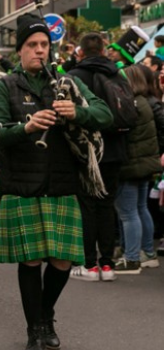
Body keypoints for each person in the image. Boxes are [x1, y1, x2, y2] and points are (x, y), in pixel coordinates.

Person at [0, 13, 112, 350]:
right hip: (22, 185)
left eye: (44, 45)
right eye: (32, 45)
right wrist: (24, 128)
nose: (39, 51)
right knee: (29, 261)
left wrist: (77, 111)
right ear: (21, 49)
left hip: (62, 182)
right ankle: (34, 331)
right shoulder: (5, 86)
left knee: (61, 261)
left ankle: (46, 314)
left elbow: (105, 114)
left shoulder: (66, 81)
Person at [66, 33, 128, 282]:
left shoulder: (75, 76)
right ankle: (107, 264)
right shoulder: (117, 74)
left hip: (87, 151)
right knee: (106, 205)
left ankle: (88, 265)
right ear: (104, 50)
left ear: (81, 52)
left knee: (87, 206)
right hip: (115, 150)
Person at [114, 65, 162, 273]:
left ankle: (132, 257)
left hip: (131, 164)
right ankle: (147, 252)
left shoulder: (132, 104)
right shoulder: (145, 102)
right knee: (140, 209)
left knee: (128, 213)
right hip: (144, 163)